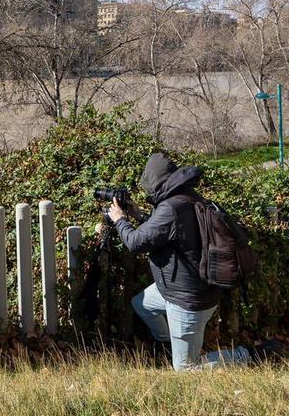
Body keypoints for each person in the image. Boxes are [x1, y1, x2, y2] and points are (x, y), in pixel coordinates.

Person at [104, 152, 254, 371]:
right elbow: (167, 231)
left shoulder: (170, 208)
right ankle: (169, 345)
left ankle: (247, 355)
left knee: (186, 369)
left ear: (155, 182)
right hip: (183, 288)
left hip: (188, 299)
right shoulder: (186, 197)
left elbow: (136, 242)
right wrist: (138, 215)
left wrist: (119, 220)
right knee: (142, 305)